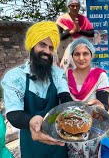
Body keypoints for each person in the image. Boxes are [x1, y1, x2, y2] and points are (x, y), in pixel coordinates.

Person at [1, 21, 72, 158]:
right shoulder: (15, 77)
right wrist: (31, 121)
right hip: (31, 143)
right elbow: (14, 113)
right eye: (42, 45)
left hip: (57, 142)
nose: (47, 51)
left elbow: (64, 97)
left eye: (51, 48)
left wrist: (76, 109)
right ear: (32, 46)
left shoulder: (58, 73)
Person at [66, 37, 109, 158]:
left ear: (91, 55)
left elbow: (104, 105)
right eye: (77, 54)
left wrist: (101, 106)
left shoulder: (100, 75)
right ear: (72, 56)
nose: (81, 58)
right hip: (71, 129)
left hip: (93, 129)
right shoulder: (65, 75)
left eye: (85, 53)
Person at [56, 0, 94, 70]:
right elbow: (58, 37)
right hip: (64, 50)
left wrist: (79, 31)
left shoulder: (83, 19)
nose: (75, 8)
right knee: (65, 71)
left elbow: (92, 33)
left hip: (80, 50)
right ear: (68, 7)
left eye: (77, 6)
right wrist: (71, 32)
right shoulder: (62, 19)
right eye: (72, 6)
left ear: (79, 7)